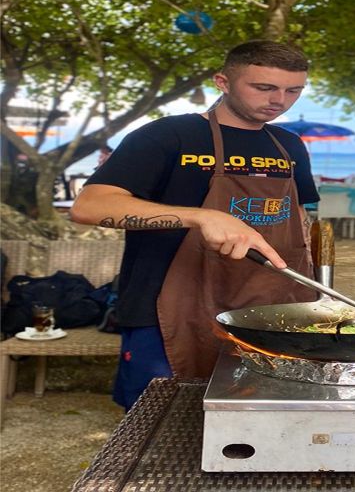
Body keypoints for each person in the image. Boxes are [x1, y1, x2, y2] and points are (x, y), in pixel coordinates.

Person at [70, 40, 320, 408]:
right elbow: (89, 207)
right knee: (160, 415)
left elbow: (297, 216)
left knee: (260, 410)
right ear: (223, 81)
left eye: (293, 90)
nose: (279, 100)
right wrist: (201, 215)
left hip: (269, 304)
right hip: (168, 305)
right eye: (264, 87)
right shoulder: (167, 135)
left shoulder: (289, 145)